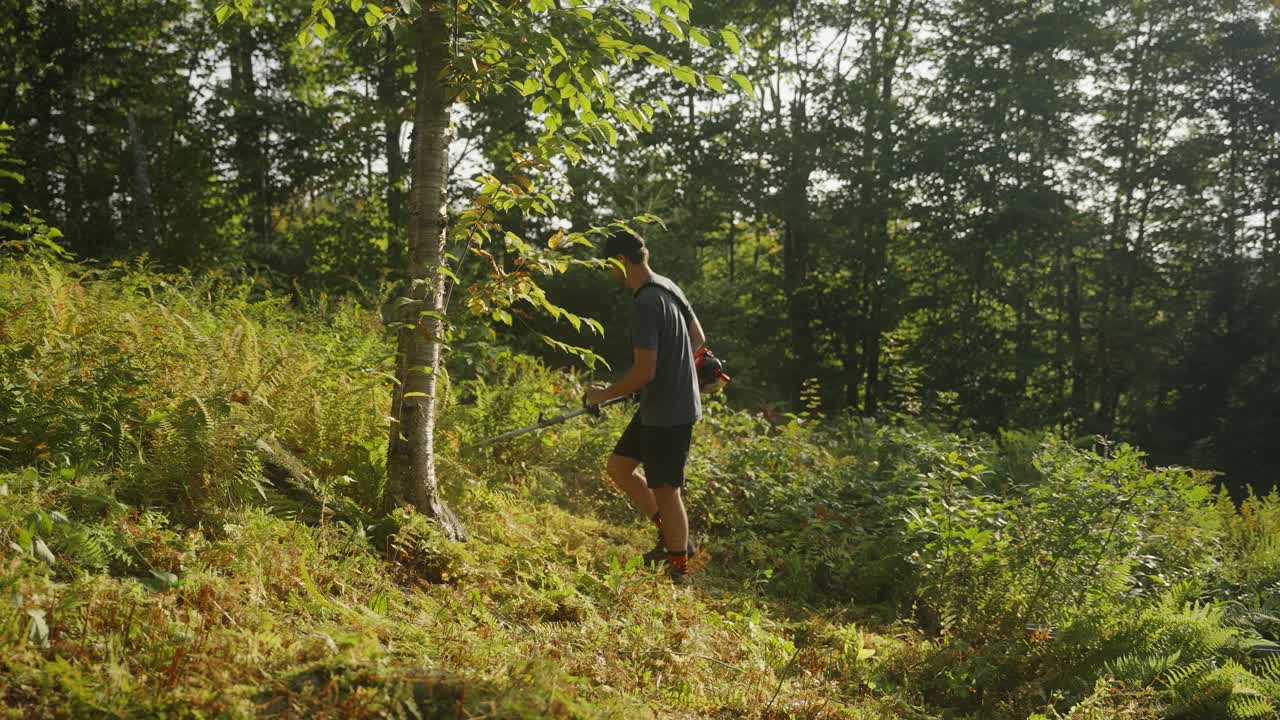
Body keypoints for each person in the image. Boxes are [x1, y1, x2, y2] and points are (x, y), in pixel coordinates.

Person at [584, 231, 704, 584]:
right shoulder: (669, 287)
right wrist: (672, 370)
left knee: (666, 488)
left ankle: (680, 567)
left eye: (609, 267)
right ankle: (669, 537)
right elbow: (698, 339)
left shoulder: (645, 304)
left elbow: (644, 370)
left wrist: (603, 394)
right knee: (620, 467)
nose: (610, 275)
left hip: (669, 411)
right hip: (661, 403)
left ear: (620, 260)